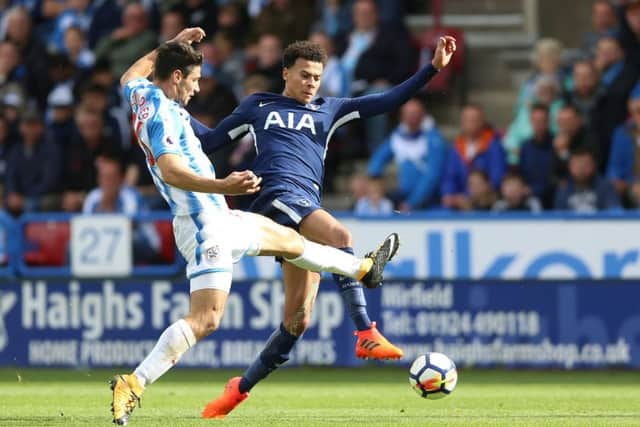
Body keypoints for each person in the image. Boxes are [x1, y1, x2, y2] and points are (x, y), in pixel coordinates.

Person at [110, 27, 399, 426]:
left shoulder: (144, 95)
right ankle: (133, 382)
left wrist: (170, 44)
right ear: (177, 77)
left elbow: (130, 76)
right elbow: (171, 169)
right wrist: (223, 185)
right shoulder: (162, 115)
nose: (196, 90)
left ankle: (363, 269)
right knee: (206, 319)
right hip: (205, 224)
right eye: (193, 81)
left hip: (220, 218)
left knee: (292, 242)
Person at [192, 34, 456, 418]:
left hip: (305, 209)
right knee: (341, 237)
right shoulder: (259, 105)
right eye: (304, 75)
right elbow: (212, 140)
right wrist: (175, 114)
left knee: (297, 322)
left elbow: (388, 101)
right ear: (285, 73)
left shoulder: (329, 109)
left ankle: (239, 388)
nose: (311, 82)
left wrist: (431, 69)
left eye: (316, 76)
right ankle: (365, 332)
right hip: (276, 199)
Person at [367, 97, 447, 211]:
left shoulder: (433, 139)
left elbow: (432, 176)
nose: (411, 117)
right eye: (408, 114)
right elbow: (378, 158)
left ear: (423, 115)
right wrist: (374, 178)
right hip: (404, 195)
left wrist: (412, 203)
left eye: (415, 113)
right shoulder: (398, 136)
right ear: (402, 116)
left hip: (430, 200)